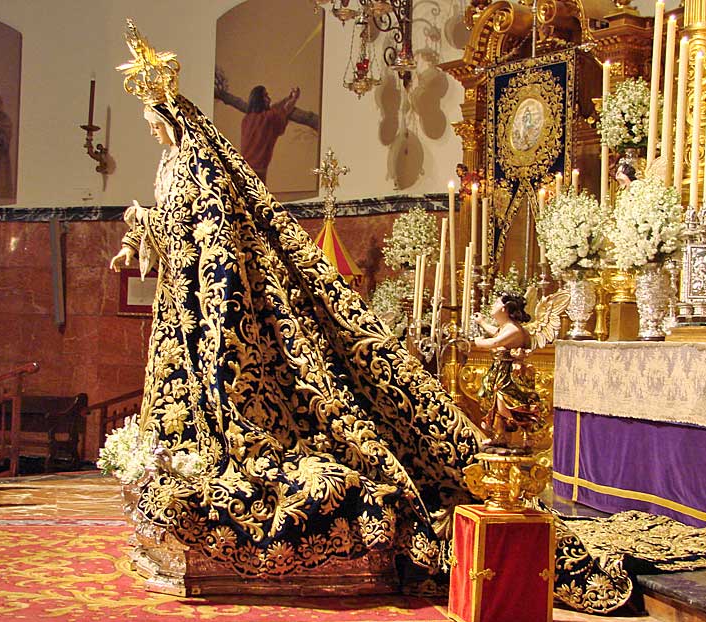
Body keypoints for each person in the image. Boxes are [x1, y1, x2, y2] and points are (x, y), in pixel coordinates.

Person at [111, 22, 478, 589]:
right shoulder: (169, 164)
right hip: (181, 307)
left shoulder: (195, 164)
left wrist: (158, 234)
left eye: (152, 120)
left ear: (172, 116)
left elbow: (211, 229)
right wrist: (137, 235)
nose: (151, 129)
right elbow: (175, 224)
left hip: (214, 305)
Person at [472, 292, 547, 451]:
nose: (492, 306)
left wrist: (478, 342)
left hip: (511, 375)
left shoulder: (514, 329)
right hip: (500, 371)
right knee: (494, 402)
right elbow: (496, 332)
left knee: (507, 404)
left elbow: (495, 341)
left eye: (496, 303)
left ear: (504, 308)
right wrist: (482, 322)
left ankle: (528, 432)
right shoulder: (506, 327)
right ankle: (500, 436)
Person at [240, 85, 299, 183]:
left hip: (243, 168)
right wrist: (294, 98)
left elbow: (274, 108)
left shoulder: (247, 119)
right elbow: (284, 110)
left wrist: (287, 98)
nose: (269, 99)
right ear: (259, 100)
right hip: (258, 171)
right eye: (266, 96)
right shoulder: (267, 118)